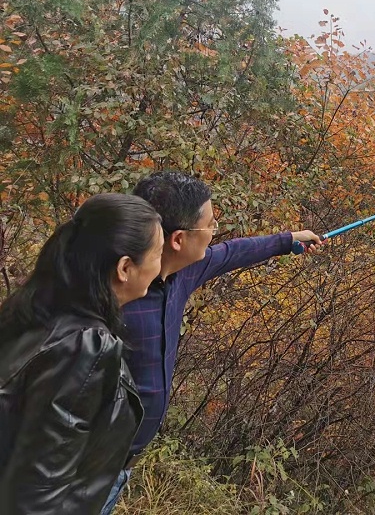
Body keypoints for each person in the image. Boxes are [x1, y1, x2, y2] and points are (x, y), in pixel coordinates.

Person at [101, 171, 321, 513]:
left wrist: (287, 240)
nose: (214, 233)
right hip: (82, 467)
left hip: (120, 465)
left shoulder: (180, 271)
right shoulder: (111, 293)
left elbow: (233, 252)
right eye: (210, 226)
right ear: (177, 239)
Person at [0, 193, 164, 515]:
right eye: (157, 255)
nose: (160, 269)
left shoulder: (39, 310)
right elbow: (36, 493)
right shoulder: (85, 348)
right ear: (125, 268)